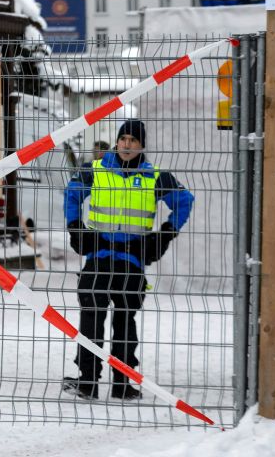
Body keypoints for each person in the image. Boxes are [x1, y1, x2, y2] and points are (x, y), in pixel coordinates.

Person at [62, 120, 194, 400]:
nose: (127, 144)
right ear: (117, 141)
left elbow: (185, 200)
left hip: (132, 259)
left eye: (134, 140)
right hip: (98, 256)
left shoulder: (154, 177)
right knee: (91, 319)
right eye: (123, 138)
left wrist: (166, 234)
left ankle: (122, 384)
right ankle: (88, 383)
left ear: (142, 145)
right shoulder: (95, 170)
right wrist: (76, 226)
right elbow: (72, 194)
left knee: (125, 322)